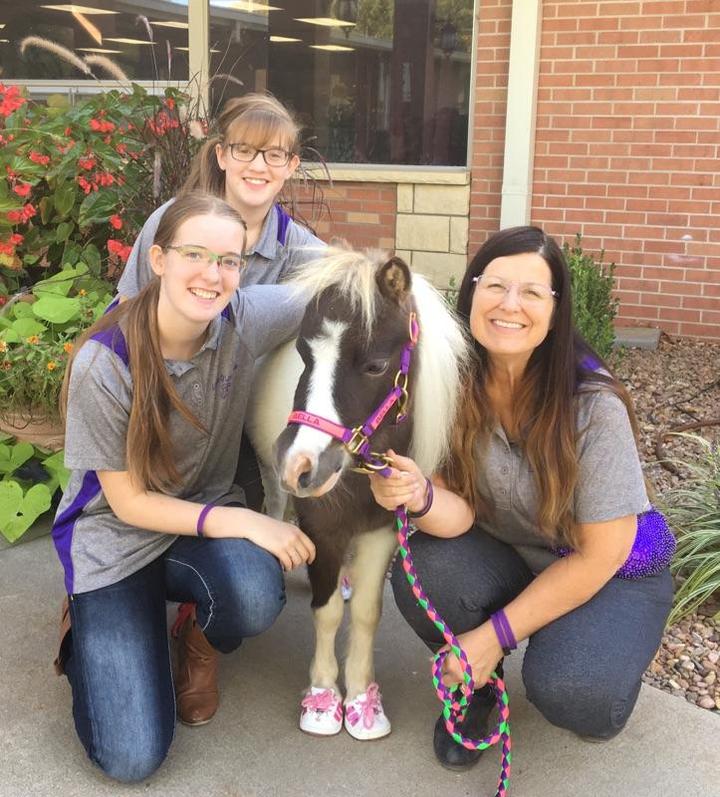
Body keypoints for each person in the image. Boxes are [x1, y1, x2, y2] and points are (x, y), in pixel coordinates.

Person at [369, 226, 673, 771]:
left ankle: (598, 667)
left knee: (574, 691)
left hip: (611, 572)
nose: (510, 305)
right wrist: (418, 495)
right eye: (495, 286)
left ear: (556, 312)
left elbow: (600, 555)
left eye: (532, 292)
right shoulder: (453, 385)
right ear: (471, 293)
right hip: (512, 555)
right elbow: (457, 514)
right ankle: (478, 690)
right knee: (419, 568)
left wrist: (494, 633)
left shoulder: (592, 407)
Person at [52, 194, 316, 782]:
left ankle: (190, 637)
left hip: (195, 528)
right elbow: (127, 503)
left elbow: (328, 290)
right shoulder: (106, 361)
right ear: (158, 258)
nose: (213, 274)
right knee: (131, 760)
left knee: (252, 590)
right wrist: (248, 520)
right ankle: (90, 629)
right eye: (195, 254)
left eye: (229, 260)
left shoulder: (242, 318)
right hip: (115, 541)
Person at [117, 92, 327, 511]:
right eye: (244, 150)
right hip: (154, 413)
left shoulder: (302, 252)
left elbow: (345, 290)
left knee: (252, 559)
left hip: (234, 428)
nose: (258, 165)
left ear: (291, 165)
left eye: (273, 154)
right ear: (221, 156)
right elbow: (123, 315)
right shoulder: (170, 222)